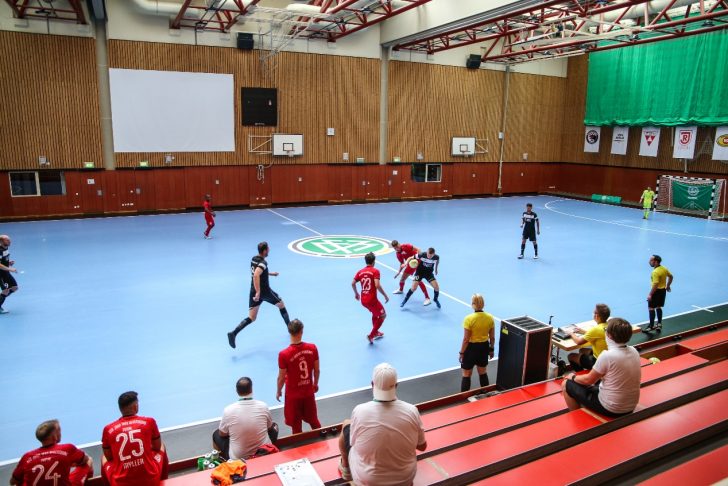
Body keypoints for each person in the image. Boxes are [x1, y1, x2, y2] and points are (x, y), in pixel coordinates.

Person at [337, 363, 427, 485]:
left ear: (372, 384)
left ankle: (346, 469)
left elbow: (353, 443)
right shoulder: (412, 410)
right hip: (405, 479)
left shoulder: (359, 411)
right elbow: (422, 447)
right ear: (396, 385)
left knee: (346, 424)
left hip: (368, 481)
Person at [562, 318, 641, 417]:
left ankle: (578, 418)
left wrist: (572, 377)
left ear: (609, 335)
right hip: (630, 406)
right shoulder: (633, 351)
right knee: (596, 384)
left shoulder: (607, 356)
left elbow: (588, 380)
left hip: (612, 408)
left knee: (566, 384)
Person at [228, 242, 291, 348]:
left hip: (253, 291)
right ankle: (290, 328)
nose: (269, 250)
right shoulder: (263, 262)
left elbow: (257, 272)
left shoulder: (254, 259)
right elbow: (256, 275)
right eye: (268, 249)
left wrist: (271, 274)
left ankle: (233, 333)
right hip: (264, 292)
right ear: (265, 251)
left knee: (252, 317)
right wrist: (258, 292)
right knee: (281, 304)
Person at [101, 391, 169, 486]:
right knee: (162, 446)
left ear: (120, 409)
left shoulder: (108, 429)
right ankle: (163, 482)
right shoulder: (149, 422)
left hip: (121, 484)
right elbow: (157, 447)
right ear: (136, 406)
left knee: (103, 457)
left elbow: (109, 457)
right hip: (150, 481)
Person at [11, 419, 93, 486]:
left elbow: (13, 482)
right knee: (89, 460)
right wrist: (67, 464)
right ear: (54, 436)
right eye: (59, 430)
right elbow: (84, 460)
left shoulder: (27, 457)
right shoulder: (67, 449)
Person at [213, 377, 279, 460]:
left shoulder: (228, 410)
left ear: (237, 391)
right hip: (263, 452)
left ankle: (220, 459)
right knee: (274, 426)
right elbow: (269, 427)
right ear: (251, 389)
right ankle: (272, 452)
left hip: (238, 458)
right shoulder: (263, 406)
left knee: (216, 434)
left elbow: (222, 434)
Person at [276, 319, 322, 435]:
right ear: (302, 331)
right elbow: (317, 370)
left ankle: (299, 451)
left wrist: (278, 391)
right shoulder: (312, 348)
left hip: (293, 396)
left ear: (289, 332)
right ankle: (325, 443)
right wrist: (315, 384)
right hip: (308, 392)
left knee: (296, 427)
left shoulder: (284, 354)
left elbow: (281, 378)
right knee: (314, 421)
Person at [459, 294, 496, 392]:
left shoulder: (468, 319)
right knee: (483, 372)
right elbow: (492, 337)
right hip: (484, 348)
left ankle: (464, 398)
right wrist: (491, 350)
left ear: (473, 304)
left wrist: (462, 352)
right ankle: (486, 395)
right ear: (483, 304)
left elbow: (466, 339)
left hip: (471, 349)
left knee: (466, 374)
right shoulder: (490, 318)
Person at [353, 252, 389, 344]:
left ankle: (376, 332)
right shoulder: (375, 271)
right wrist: (385, 295)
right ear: (374, 262)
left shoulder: (360, 271)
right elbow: (377, 285)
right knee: (383, 315)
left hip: (363, 300)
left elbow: (353, 283)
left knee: (375, 313)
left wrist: (356, 293)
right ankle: (371, 335)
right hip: (372, 299)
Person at [567, 303, 610, 371]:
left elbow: (578, 342)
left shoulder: (596, 329)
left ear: (596, 316)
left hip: (599, 361)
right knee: (582, 350)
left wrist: (571, 333)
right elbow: (597, 335)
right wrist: (583, 332)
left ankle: (581, 376)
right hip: (608, 357)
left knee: (571, 356)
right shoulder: (609, 325)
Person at [645, 254, 673, 332]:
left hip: (656, 292)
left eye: (651, 260)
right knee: (658, 307)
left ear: (656, 262)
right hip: (663, 291)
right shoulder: (664, 268)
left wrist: (650, 294)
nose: (649, 262)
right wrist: (668, 286)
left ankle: (651, 326)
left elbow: (655, 284)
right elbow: (671, 276)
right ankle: (659, 324)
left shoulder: (655, 272)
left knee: (651, 308)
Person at [0, 234, 19, 314]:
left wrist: (8, 262)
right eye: (7, 240)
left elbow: (3, 260)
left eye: (9, 240)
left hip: (5, 272)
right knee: (5, 290)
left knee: (14, 287)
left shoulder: (6, 248)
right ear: (1, 241)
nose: (9, 241)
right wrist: (10, 269)